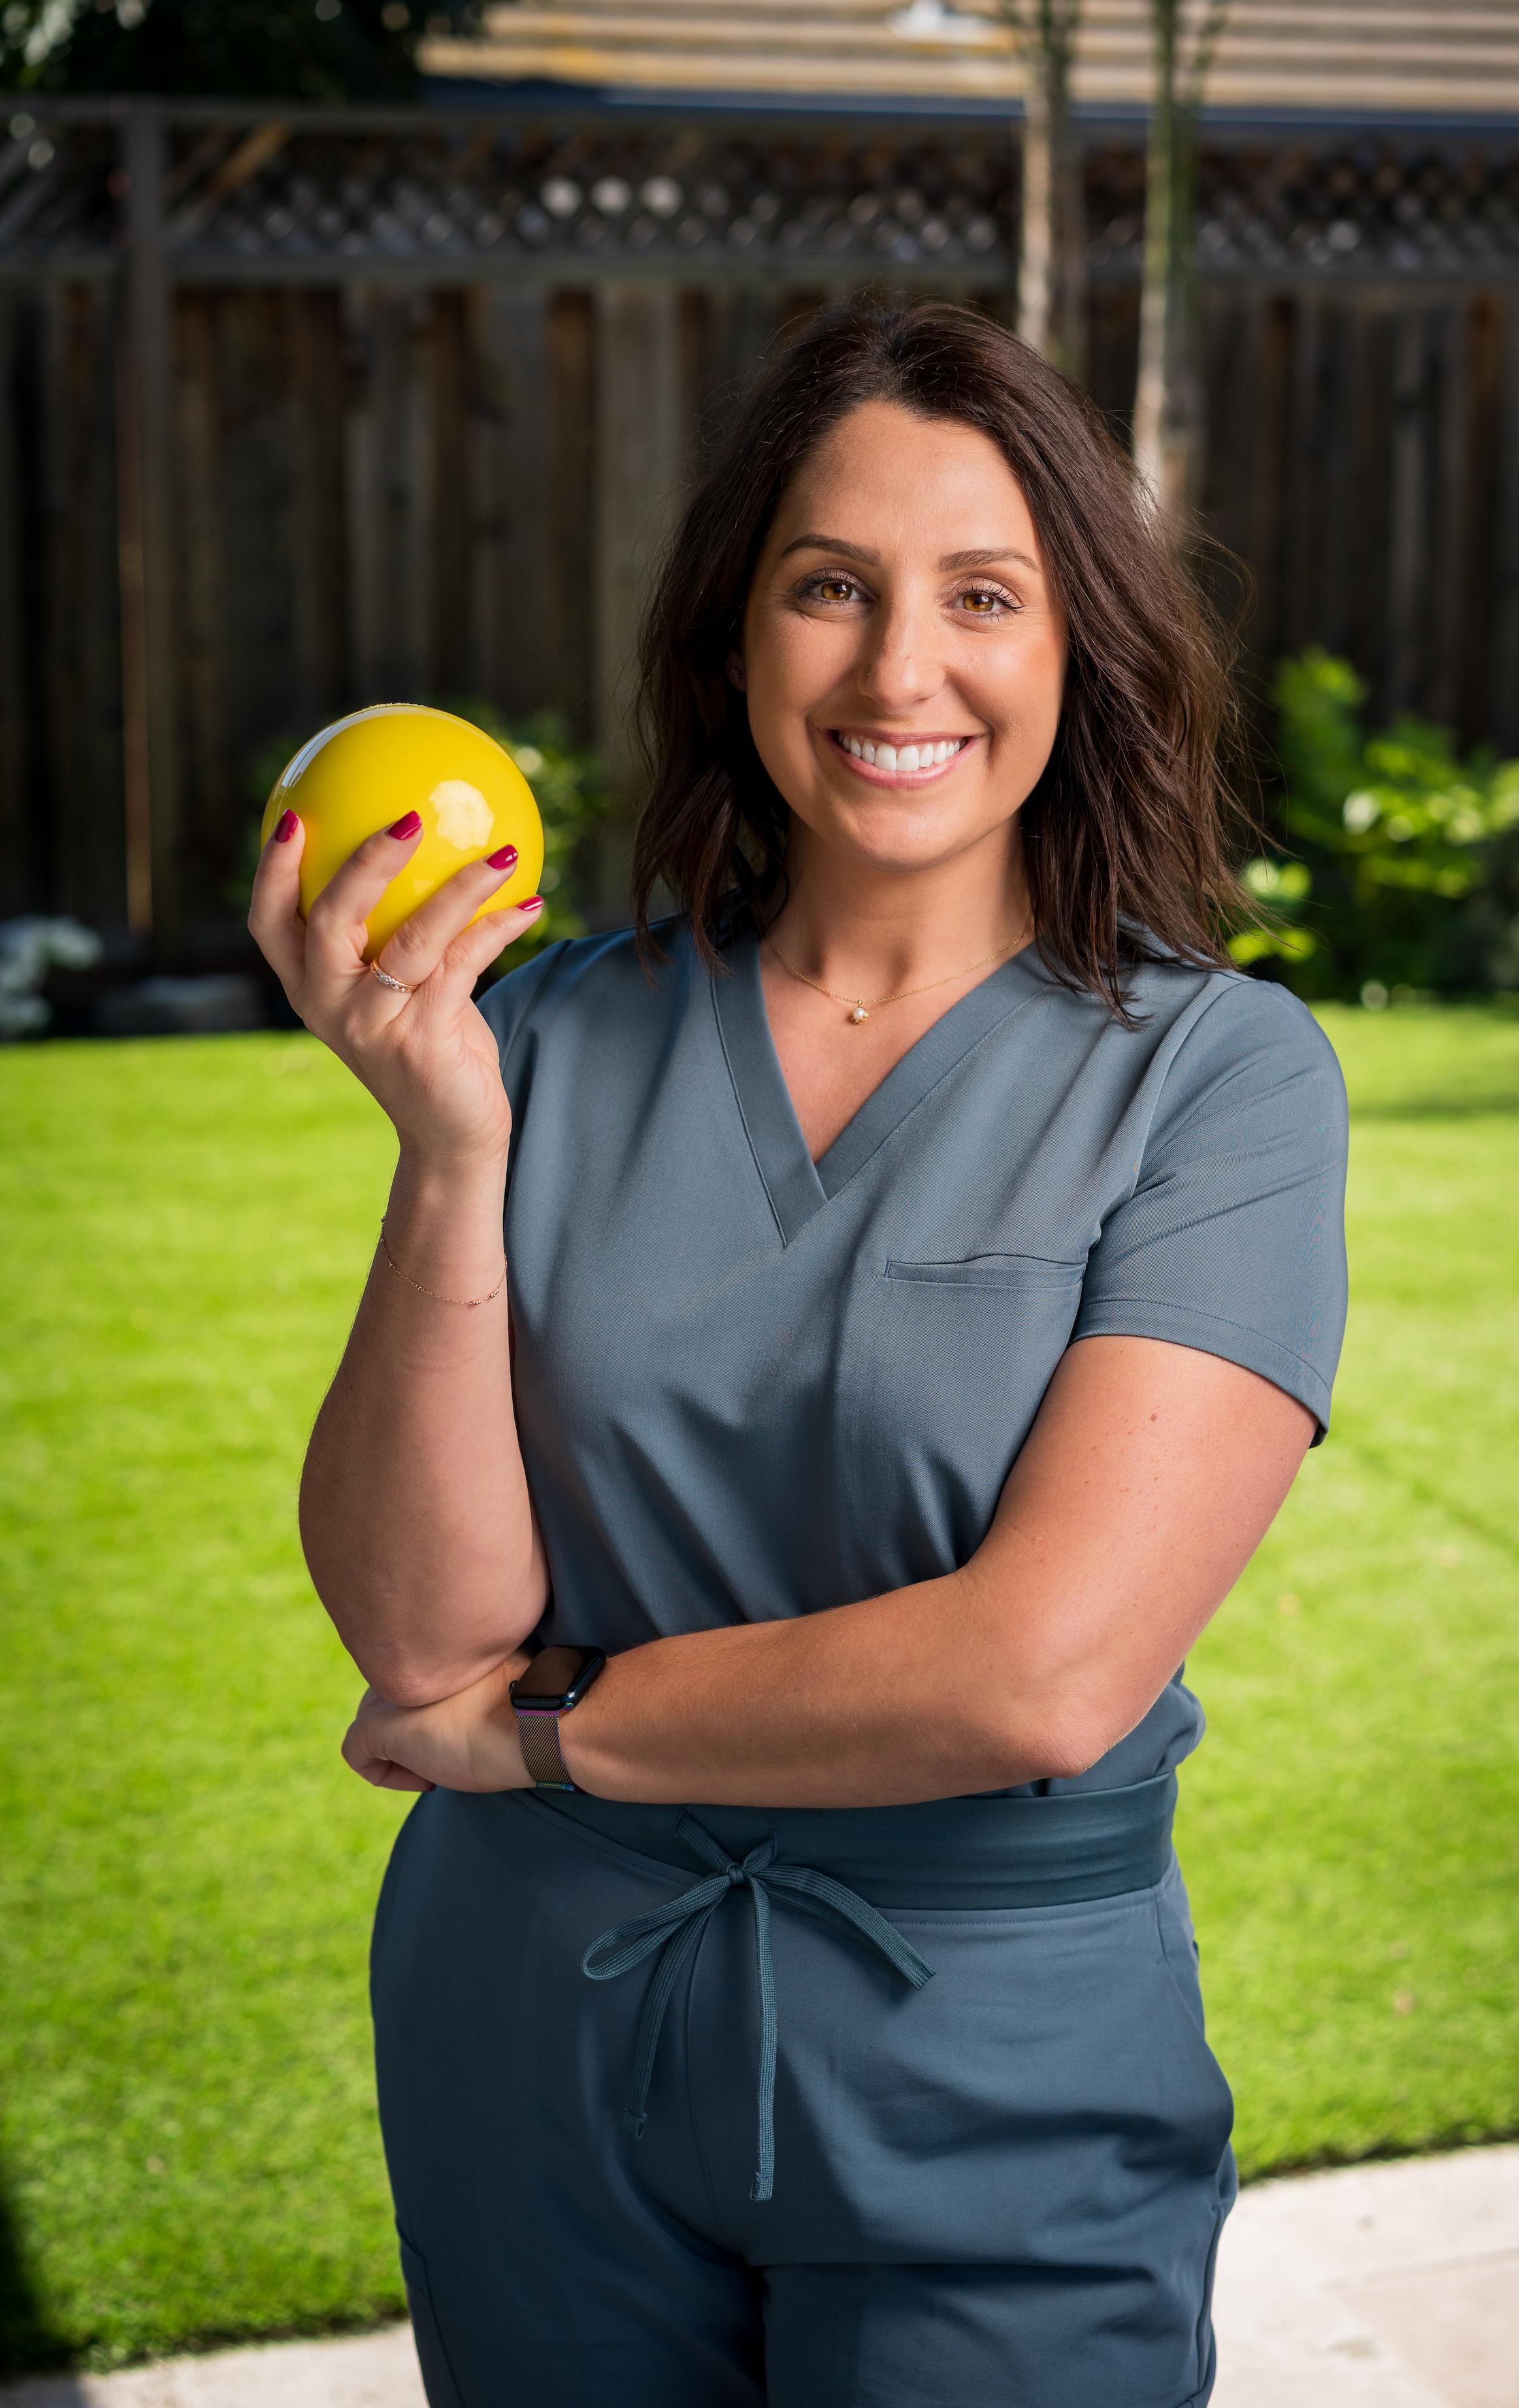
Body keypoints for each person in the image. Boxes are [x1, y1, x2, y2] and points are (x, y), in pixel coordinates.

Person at [248, 298, 1347, 2408]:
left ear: (1076, 653)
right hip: (533, 2038)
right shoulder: (546, 1036)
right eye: (828, 586)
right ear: (735, 637)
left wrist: (543, 1728)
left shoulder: (1221, 1084)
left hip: (989, 2061)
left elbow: (1043, 1667)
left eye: (984, 597)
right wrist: (452, 1149)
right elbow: (416, 1637)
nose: (897, 668)